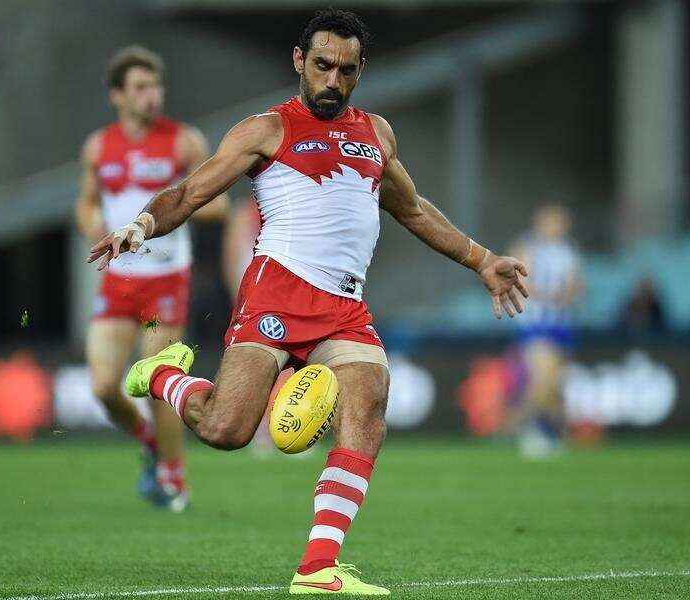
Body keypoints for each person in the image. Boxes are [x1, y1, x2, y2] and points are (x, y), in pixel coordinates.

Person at [88, 10, 527, 594]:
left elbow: (414, 210)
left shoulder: (377, 133)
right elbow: (192, 191)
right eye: (322, 65)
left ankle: (318, 567)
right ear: (300, 61)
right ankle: (165, 375)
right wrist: (140, 226)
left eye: (345, 70)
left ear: (360, 70)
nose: (332, 80)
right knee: (226, 430)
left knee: (368, 403)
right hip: (277, 291)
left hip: (344, 306)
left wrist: (483, 260)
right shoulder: (266, 130)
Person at [75, 46, 227, 511]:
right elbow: (85, 202)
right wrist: (97, 231)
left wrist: (173, 212)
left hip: (165, 278)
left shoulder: (184, 142)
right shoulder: (99, 146)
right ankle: (148, 443)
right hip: (119, 279)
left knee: (158, 379)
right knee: (103, 387)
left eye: (156, 86)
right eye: (140, 88)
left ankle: (173, 476)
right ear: (117, 95)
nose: (152, 96)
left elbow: (218, 202)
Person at [508, 203, 582, 458]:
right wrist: (552, 295)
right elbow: (520, 281)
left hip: (561, 324)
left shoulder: (567, 251)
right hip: (536, 324)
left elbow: (576, 286)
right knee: (542, 380)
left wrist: (568, 295)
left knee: (554, 386)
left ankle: (552, 434)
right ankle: (519, 427)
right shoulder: (528, 247)